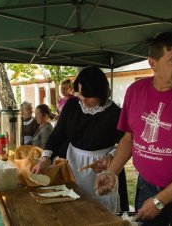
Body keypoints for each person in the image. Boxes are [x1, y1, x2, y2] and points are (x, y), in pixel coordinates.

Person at [95, 32, 172, 225]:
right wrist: (112, 171)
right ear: (153, 63)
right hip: (147, 186)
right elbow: (129, 139)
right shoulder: (135, 92)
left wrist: (160, 201)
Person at [32, 66, 128, 213]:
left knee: (101, 213)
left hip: (103, 168)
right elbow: (58, 134)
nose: (82, 100)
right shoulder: (72, 105)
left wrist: (110, 157)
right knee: (75, 208)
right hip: (74, 165)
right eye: (80, 94)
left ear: (101, 94)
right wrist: (46, 158)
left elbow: (126, 142)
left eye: (87, 96)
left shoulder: (115, 113)